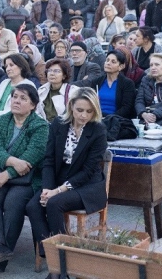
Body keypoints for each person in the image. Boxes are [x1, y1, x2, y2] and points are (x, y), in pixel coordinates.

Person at [26, 87, 108, 265]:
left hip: (87, 185)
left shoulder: (98, 130)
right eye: (80, 110)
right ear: (71, 107)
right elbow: (48, 160)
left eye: (89, 111)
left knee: (54, 203)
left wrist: (57, 192)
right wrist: (47, 188)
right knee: (33, 206)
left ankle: (63, 262)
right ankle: (51, 254)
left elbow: (88, 171)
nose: (84, 115)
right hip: (58, 180)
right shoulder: (59, 124)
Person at [0, 83, 48, 271]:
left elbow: (31, 158)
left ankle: (4, 250)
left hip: (28, 179)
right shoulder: (2, 121)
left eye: (23, 98)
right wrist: (13, 162)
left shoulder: (40, 126)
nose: (16, 101)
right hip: (2, 173)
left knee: (13, 201)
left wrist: (7, 174)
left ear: (33, 105)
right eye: (15, 97)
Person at [77, 50, 136, 118]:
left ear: (121, 66)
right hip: (96, 118)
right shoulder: (97, 82)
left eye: (113, 62)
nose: (108, 63)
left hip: (117, 120)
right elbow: (90, 102)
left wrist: (109, 118)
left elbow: (126, 108)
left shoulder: (127, 83)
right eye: (107, 60)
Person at [37, 58, 80, 122]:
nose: (52, 74)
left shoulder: (73, 91)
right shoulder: (41, 90)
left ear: (64, 76)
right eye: (49, 70)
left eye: (56, 71)